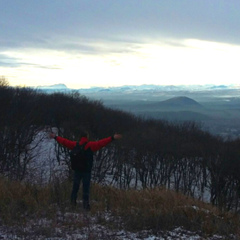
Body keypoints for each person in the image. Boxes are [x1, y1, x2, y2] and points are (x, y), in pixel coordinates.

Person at [49, 130, 122, 210]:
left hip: (77, 170)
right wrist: (112, 138)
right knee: (85, 189)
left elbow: (65, 142)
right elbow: (101, 143)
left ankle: (73, 203)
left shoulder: (75, 145)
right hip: (86, 171)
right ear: (87, 137)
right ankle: (86, 206)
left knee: (75, 187)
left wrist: (55, 137)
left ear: (80, 137)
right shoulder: (90, 145)